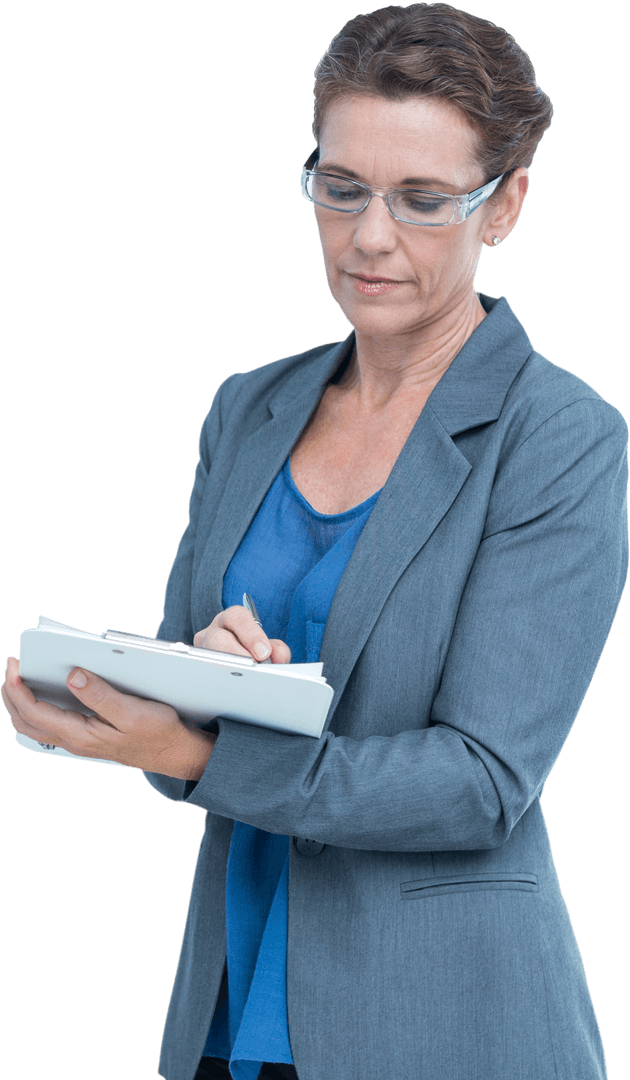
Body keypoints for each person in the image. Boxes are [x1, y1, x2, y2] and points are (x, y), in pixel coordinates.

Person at [2, 4, 628, 1079]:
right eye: (342, 189)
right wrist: (197, 683)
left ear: (506, 204)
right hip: (229, 1002)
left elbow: (481, 781)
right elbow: (177, 738)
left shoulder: (560, 436)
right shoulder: (248, 408)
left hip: (439, 1021)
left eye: (424, 201)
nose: (371, 236)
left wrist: (203, 750)